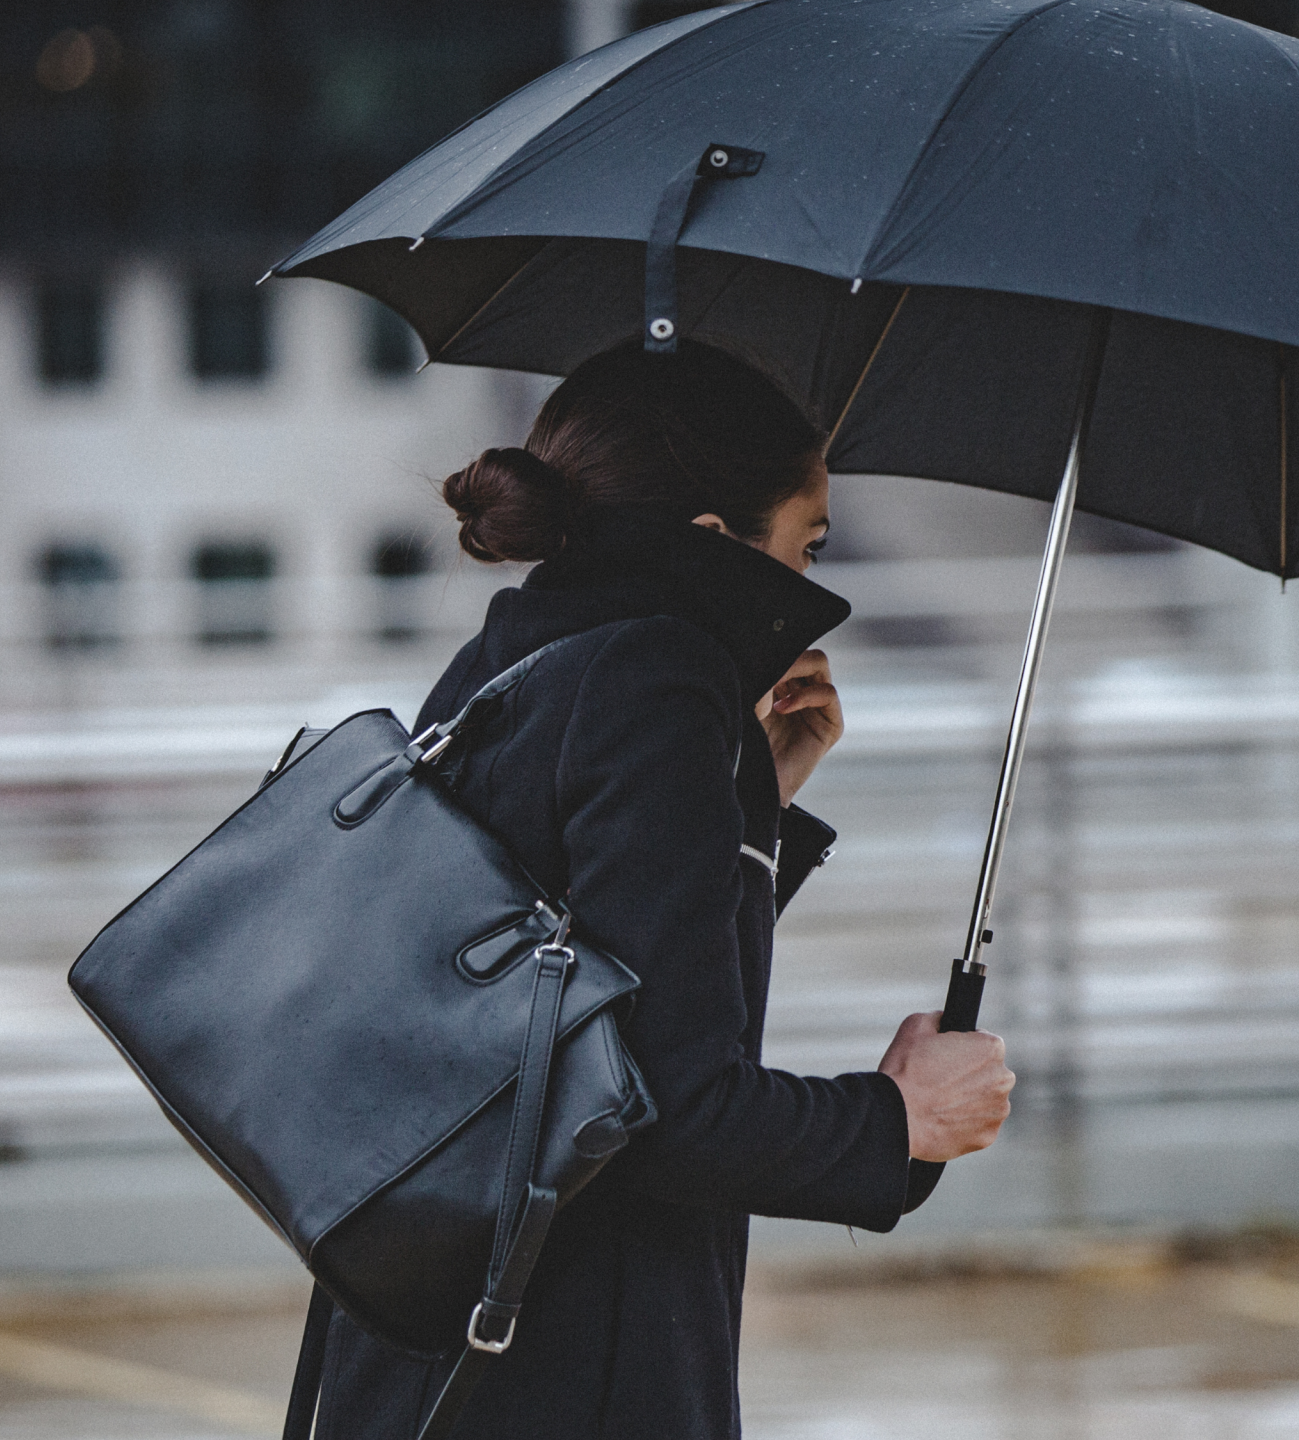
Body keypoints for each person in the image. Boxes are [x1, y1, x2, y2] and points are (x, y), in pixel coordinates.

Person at [309, 341, 1016, 1437]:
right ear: (711, 542)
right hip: (566, 1358)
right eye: (806, 542)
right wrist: (902, 1120)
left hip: (419, 1333)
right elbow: (669, 1112)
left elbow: (571, 993)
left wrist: (751, 813)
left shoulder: (508, 665)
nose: (812, 584)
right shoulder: (660, 684)